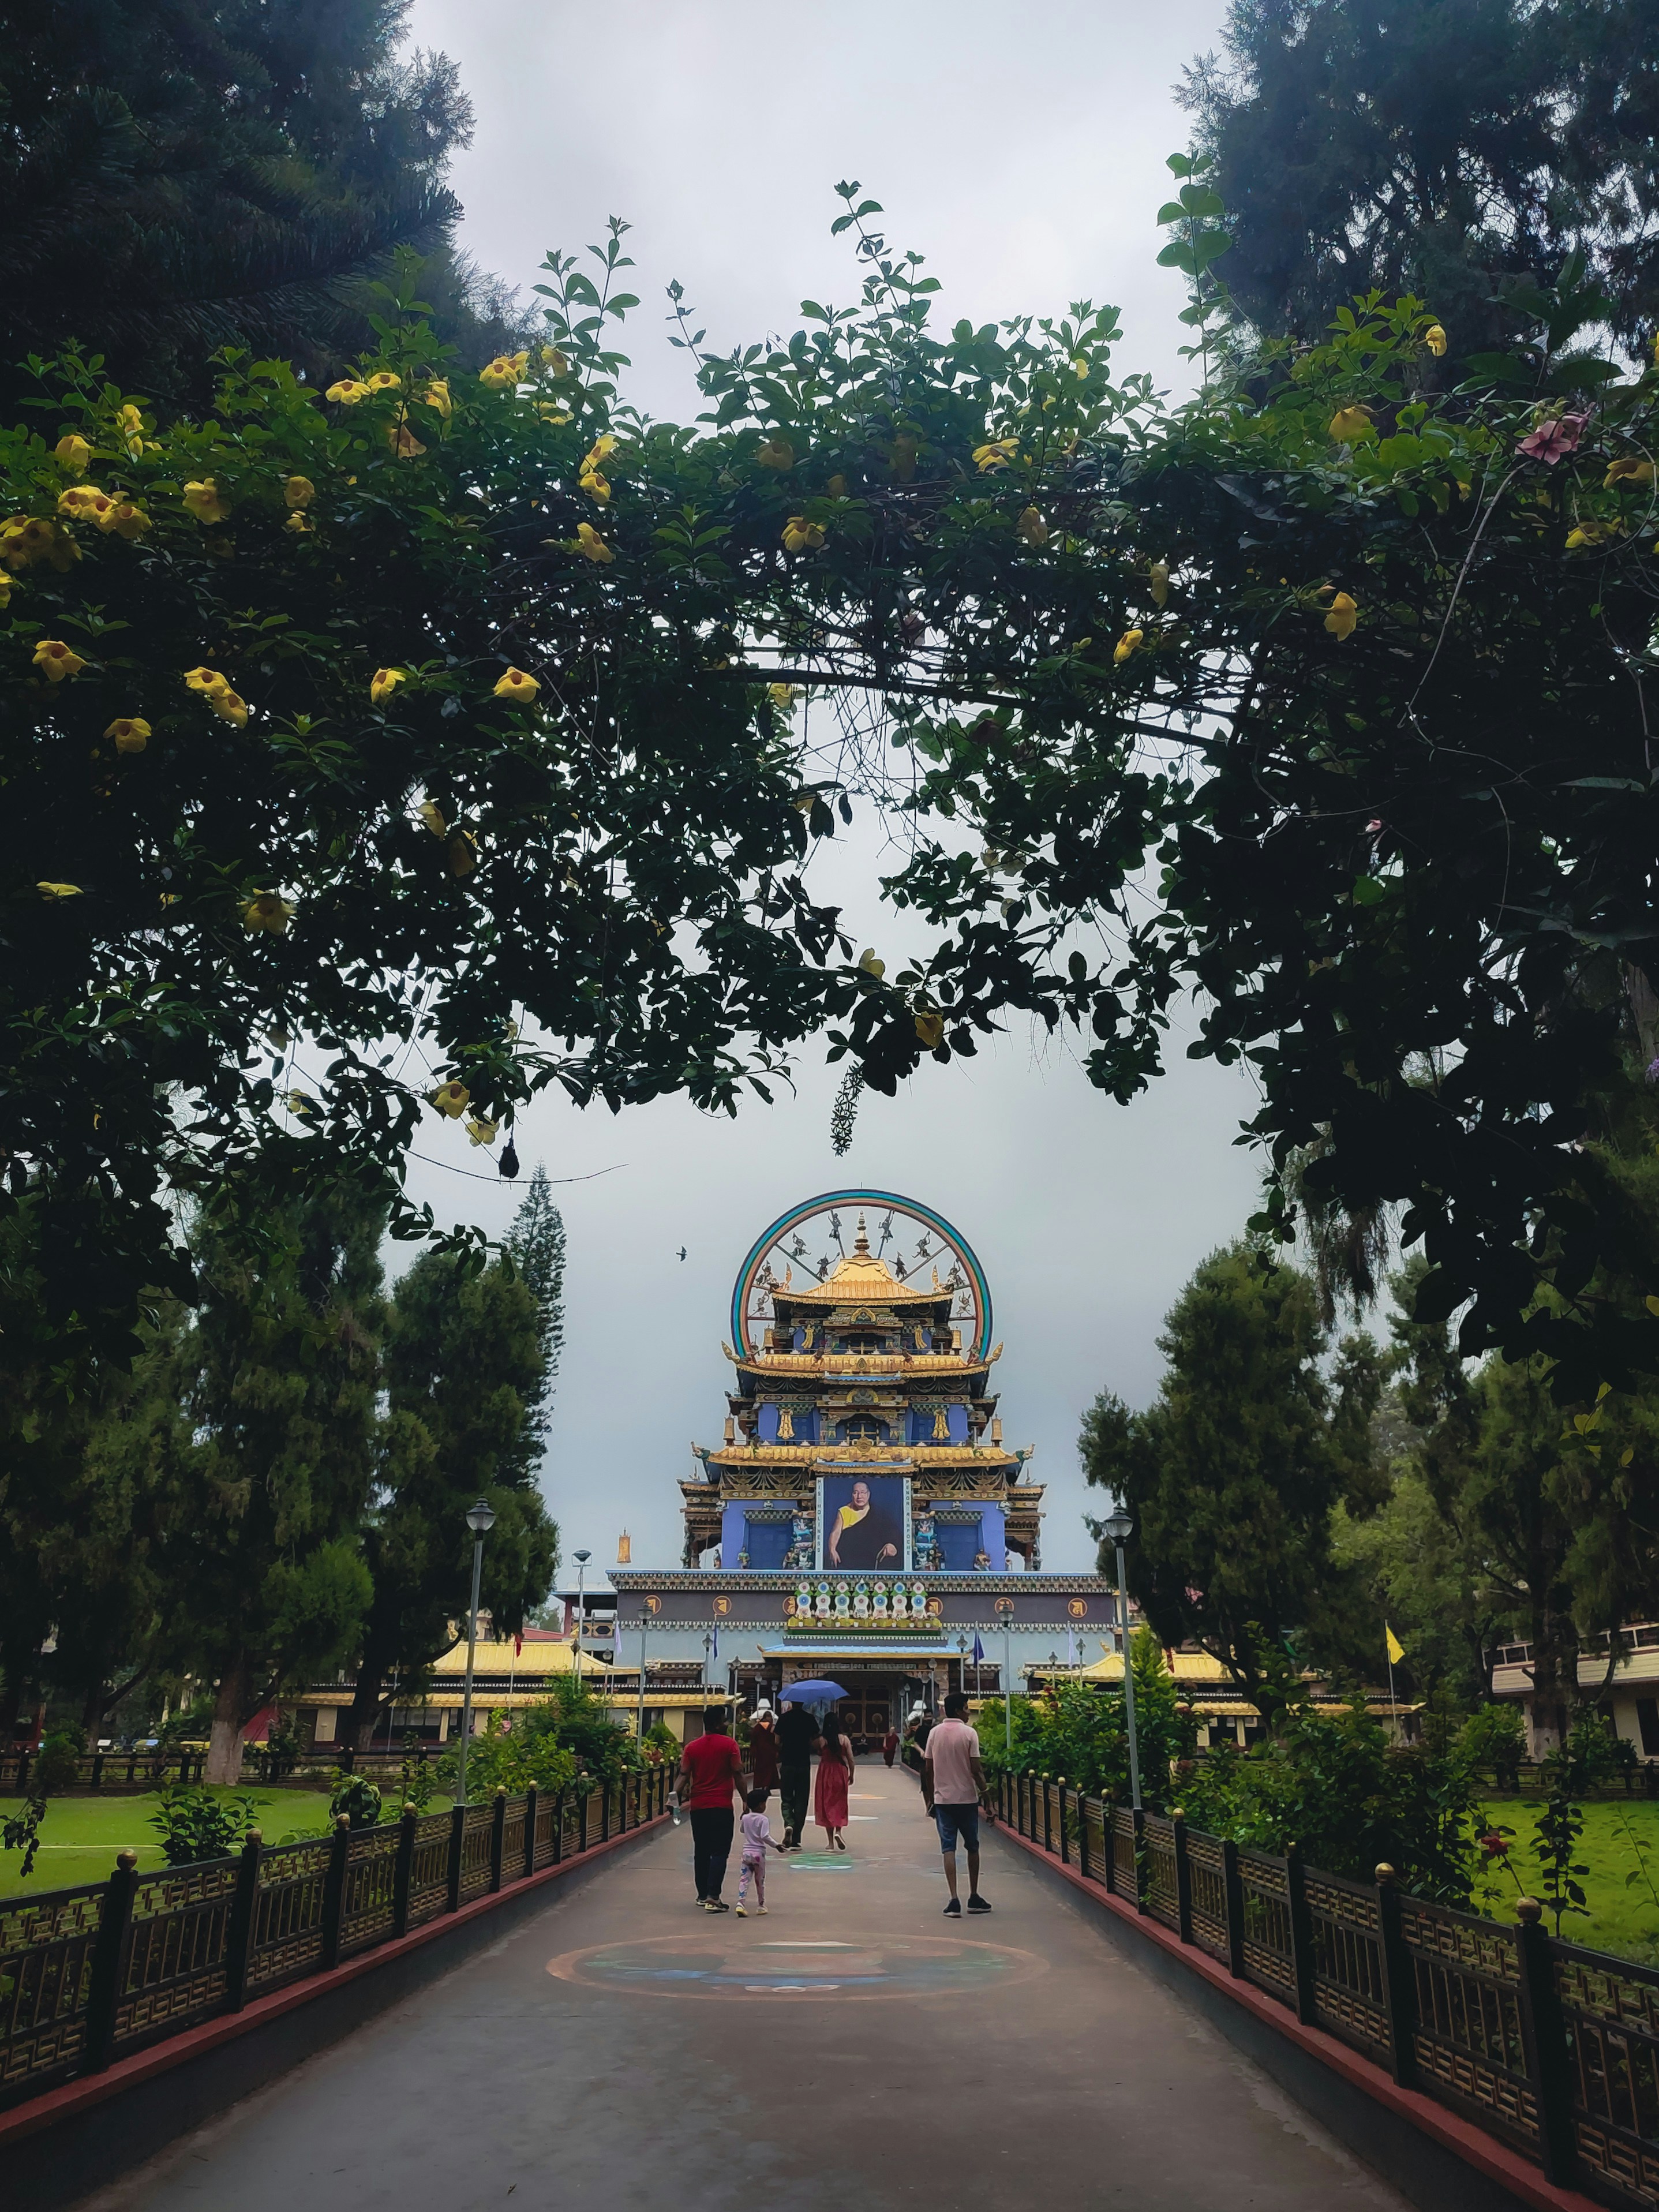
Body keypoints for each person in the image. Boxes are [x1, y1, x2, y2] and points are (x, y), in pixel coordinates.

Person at [922, 1690, 990, 1916]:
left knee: (948, 1848)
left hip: (943, 1801)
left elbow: (929, 1769)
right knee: (972, 1847)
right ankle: (974, 1895)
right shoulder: (969, 1734)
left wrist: (931, 1799)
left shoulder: (934, 1734)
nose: (969, 1712)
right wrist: (986, 1794)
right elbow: (976, 1769)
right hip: (967, 1799)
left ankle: (954, 1899)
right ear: (959, 1709)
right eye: (967, 1708)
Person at [677, 1705, 746, 1911]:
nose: (727, 1724)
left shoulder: (692, 1747)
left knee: (702, 1850)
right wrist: (746, 1799)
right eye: (725, 1721)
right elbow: (738, 1774)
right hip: (722, 1807)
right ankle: (713, 1896)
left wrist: (673, 1797)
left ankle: (701, 1895)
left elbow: (683, 1775)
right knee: (719, 1852)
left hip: (699, 1808)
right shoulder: (730, 1745)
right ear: (717, 1724)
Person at [775, 1698, 820, 1849]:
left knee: (787, 1798)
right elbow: (815, 1742)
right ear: (803, 1703)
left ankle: (789, 1823)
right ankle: (796, 1838)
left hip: (787, 1763)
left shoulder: (784, 1718)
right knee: (802, 1800)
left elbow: (776, 1741)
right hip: (803, 1764)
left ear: (791, 1703)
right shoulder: (809, 1719)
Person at [827, 1479, 901, 1569]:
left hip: (870, 1560)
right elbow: (836, 1532)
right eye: (856, 1493)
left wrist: (892, 1545)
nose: (859, 1496)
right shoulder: (844, 1511)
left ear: (868, 1494)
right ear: (852, 1495)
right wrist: (832, 1550)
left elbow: (893, 1533)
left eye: (863, 1493)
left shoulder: (878, 1514)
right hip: (847, 1559)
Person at [735, 1787, 785, 1917]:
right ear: (761, 1804)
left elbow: (742, 1830)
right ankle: (761, 1905)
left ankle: (741, 1903)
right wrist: (776, 1845)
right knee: (760, 1880)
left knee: (744, 1879)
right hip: (758, 1854)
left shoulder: (745, 1818)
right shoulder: (763, 1820)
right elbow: (765, 1836)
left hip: (746, 1853)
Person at [814, 1710, 855, 1850]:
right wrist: (852, 1775)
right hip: (840, 1772)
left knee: (826, 1805)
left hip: (825, 1773)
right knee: (840, 1804)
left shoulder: (821, 1740)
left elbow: (818, 1752)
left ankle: (831, 1843)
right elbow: (851, 1759)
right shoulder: (844, 1739)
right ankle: (839, 1831)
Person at [748, 1702, 780, 1801]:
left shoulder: (757, 1727)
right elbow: (776, 1739)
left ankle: (762, 1786)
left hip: (760, 1752)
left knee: (761, 1770)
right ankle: (767, 1786)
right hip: (769, 1751)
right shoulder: (772, 1727)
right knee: (769, 1770)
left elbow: (753, 1739)